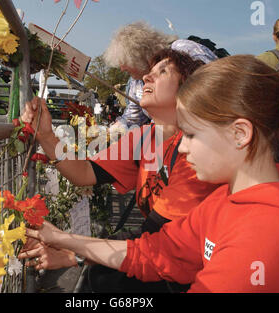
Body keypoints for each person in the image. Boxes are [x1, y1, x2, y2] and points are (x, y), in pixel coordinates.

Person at [21, 55, 279, 293]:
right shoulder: (225, 196)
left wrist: (72, 253)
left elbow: (154, 245)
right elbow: (155, 250)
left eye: (192, 135)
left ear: (240, 133)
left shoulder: (262, 243)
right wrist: (48, 139)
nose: (182, 147)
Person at [20, 48, 219, 292]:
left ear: (187, 89)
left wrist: (71, 251)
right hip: (155, 259)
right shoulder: (144, 137)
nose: (146, 77)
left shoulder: (194, 152)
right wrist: (46, 135)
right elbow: (84, 173)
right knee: (104, 276)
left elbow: (154, 237)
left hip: (192, 274)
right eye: (149, 72)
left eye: (163, 71)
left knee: (105, 277)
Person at [104, 21, 218, 130]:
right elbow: (132, 119)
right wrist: (109, 133)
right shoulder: (136, 82)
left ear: (139, 56)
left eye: (125, 61)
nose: (122, 68)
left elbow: (215, 84)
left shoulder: (182, 49)